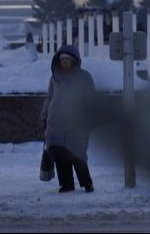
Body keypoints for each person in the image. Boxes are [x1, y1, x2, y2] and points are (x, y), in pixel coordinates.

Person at [41, 44, 96, 193]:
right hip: (56, 123)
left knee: (77, 154)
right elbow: (50, 98)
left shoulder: (84, 77)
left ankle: (86, 183)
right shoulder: (55, 78)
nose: (64, 61)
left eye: (67, 59)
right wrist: (44, 116)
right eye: (62, 59)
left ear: (74, 60)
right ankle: (66, 184)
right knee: (59, 154)